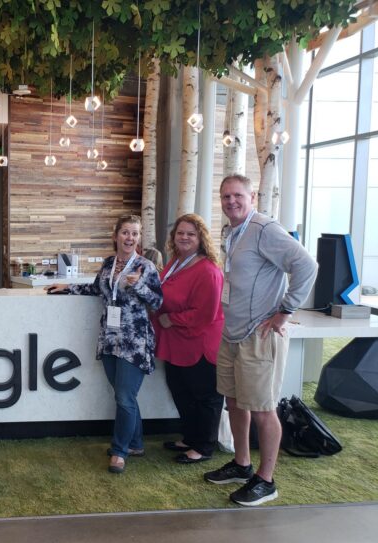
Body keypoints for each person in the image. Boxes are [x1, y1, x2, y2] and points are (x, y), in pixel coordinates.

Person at [203, 174, 317, 506]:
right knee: (234, 402)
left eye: (237, 195)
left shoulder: (264, 229)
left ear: (252, 197)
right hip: (233, 332)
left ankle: (266, 481)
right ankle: (242, 464)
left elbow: (306, 265)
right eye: (225, 197)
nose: (231, 202)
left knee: (264, 409)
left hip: (260, 333)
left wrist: (285, 312)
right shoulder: (232, 232)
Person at [47, 214, 163, 474]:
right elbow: (97, 288)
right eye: (125, 232)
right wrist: (67, 287)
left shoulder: (145, 267)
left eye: (134, 233)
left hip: (134, 341)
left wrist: (139, 287)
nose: (129, 237)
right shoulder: (110, 263)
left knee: (124, 397)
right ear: (116, 235)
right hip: (110, 339)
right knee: (125, 396)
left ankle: (120, 451)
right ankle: (135, 443)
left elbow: (157, 302)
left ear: (139, 238)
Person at [152, 214, 224, 464]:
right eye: (180, 233)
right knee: (182, 391)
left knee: (204, 396)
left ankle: (204, 446)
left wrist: (172, 320)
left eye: (191, 234)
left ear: (201, 239)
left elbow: (206, 313)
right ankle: (190, 437)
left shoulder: (208, 270)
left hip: (199, 343)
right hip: (176, 342)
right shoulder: (175, 262)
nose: (184, 237)